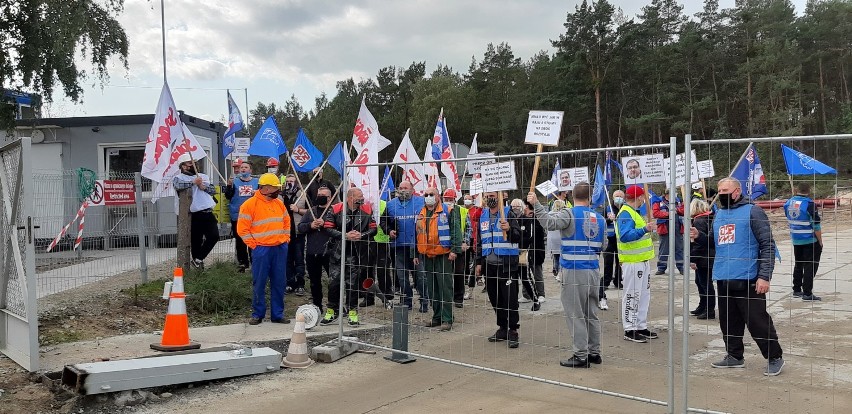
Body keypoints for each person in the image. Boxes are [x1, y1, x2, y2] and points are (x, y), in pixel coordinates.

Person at [697, 177, 784, 376]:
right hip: (724, 276)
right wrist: (699, 236)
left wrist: (764, 276)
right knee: (728, 321)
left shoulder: (754, 211)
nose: (721, 194)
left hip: (749, 279)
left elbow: (767, 245)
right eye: (719, 190)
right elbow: (715, 242)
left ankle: (774, 357)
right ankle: (734, 356)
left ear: (737, 191)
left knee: (757, 321)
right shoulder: (719, 214)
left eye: (725, 190)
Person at [531, 182, 605, 367]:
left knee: (575, 314)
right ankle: (594, 352)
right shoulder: (600, 218)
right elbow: (604, 246)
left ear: (572, 196)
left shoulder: (569, 213)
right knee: (591, 313)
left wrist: (536, 205)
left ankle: (581, 355)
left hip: (574, 271)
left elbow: (548, 223)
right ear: (590, 198)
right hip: (594, 270)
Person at [237, 173, 291, 325]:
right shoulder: (249, 205)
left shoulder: (279, 203)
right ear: (265, 188)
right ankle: (257, 314)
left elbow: (287, 221)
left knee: (279, 282)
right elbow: (242, 230)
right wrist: (255, 245)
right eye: (275, 188)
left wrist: (286, 239)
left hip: (280, 248)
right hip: (262, 250)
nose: (277, 191)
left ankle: (277, 314)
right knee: (259, 282)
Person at [321, 188, 377, 326]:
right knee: (334, 283)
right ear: (350, 198)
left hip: (357, 253)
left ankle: (352, 312)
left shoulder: (367, 210)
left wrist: (361, 235)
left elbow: (374, 228)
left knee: (353, 284)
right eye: (360, 196)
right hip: (337, 253)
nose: (362, 198)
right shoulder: (335, 208)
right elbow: (327, 228)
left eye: (362, 195)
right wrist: (345, 235)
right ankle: (332, 311)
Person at [477, 191, 523, 348]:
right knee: (495, 298)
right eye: (488, 196)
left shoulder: (509, 213)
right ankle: (502, 327)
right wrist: (478, 262)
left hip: (507, 264)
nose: (491, 198)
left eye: (493, 195)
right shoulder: (483, 215)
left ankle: (513, 330)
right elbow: (480, 241)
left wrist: (510, 229)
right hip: (489, 265)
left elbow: (519, 237)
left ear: (501, 197)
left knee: (509, 299)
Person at [415, 187, 462, 331]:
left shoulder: (449, 210)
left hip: (443, 255)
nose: (428, 197)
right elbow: (416, 234)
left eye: (431, 194)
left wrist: (455, 250)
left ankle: (447, 318)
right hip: (427, 255)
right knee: (432, 288)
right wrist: (415, 254)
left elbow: (455, 230)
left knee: (445, 288)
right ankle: (437, 317)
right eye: (426, 194)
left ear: (438, 196)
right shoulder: (421, 213)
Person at [616, 185, 658, 343]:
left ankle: (640, 325)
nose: (643, 200)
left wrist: (645, 229)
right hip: (632, 262)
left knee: (643, 295)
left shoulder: (633, 212)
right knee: (632, 295)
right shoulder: (626, 213)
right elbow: (625, 236)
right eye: (643, 198)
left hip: (642, 261)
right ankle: (630, 328)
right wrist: (644, 229)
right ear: (639, 197)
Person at [381, 180, 429, 313]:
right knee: (402, 276)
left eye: (405, 188)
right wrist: (389, 230)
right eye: (400, 188)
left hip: (417, 246)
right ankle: (407, 300)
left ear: (412, 190)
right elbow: (383, 221)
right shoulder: (390, 205)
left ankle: (425, 301)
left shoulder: (421, 202)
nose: (402, 190)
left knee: (420, 276)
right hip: (398, 246)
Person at [173, 153, 219, 270]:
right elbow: (178, 185)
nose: (194, 165)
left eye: (194, 162)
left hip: (207, 211)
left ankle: (198, 259)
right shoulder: (179, 178)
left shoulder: (203, 176)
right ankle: (198, 268)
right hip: (193, 214)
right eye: (190, 163)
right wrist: (193, 182)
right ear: (183, 166)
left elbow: (213, 190)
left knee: (214, 236)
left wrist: (204, 187)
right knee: (196, 241)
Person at [784, 182, 823, 301]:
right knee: (810, 266)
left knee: (798, 264)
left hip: (796, 239)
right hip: (810, 240)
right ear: (809, 190)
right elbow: (816, 225)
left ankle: (796, 289)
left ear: (796, 190)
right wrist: (820, 241)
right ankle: (807, 293)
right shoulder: (810, 204)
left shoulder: (788, 203)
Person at [298, 185, 334, 311]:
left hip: (330, 252)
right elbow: (300, 227)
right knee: (314, 282)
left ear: (330, 198)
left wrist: (326, 224)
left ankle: (334, 306)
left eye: (323, 196)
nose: (320, 198)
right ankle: (317, 305)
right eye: (319, 196)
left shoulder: (334, 211)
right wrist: (310, 225)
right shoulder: (310, 211)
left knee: (333, 281)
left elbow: (340, 228)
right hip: (312, 252)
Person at [223, 160, 257, 272]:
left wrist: (257, 193)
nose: (243, 169)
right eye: (242, 167)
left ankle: (254, 262)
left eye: (246, 167)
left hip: (253, 216)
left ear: (251, 170)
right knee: (240, 240)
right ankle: (243, 263)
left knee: (253, 240)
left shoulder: (257, 182)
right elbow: (228, 196)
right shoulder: (234, 182)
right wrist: (228, 186)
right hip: (237, 215)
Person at [363, 198, 394, 308]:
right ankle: (368, 296)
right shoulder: (363, 204)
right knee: (367, 269)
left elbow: (388, 221)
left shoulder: (384, 204)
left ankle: (387, 294)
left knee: (383, 269)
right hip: (367, 241)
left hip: (382, 241)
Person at [281, 174, 308, 296]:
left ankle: (300, 284)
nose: (289, 183)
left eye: (292, 181)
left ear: (296, 182)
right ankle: (289, 283)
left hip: (298, 233)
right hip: (284, 233)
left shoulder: (302, 195)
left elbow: (310, 212)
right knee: (287, 260)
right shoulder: (280, 196)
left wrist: (298, 210)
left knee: (299, 259)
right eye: (287, 181)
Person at [689, 198, 716, 319]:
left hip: (703, 257)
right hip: (709, 255)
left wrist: (693, 259)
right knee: (701, 282)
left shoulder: (699, 221)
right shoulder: (709, 218)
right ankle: (703, 306)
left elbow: (698, 243)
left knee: (705, 284)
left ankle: (708, 309)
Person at [599, 189, 625, 311]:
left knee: (620, 262)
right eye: (617, 196)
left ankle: (618, 280)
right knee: (608, 262)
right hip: (609, 239)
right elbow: (601, 221)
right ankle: (606, 281)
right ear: (612, 197)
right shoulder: (607, 208)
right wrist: (609, 219)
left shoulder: (625, 209)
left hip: (620, 240)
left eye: (620, 196)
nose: (619, 198)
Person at [442, 189, 468, 308]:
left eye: (450, 200)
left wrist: (465, 242)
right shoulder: (440, 210)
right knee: (445, 274)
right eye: (446, 199)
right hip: (444, 247)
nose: (448, 202)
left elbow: (468, 228)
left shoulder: (462, 211)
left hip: (458, 247)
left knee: (458, 273)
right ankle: (446, 297)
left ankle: (458, 298)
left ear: (455, 200)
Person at [519, 199, 547, 309]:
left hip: (536, 250)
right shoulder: (522, 219)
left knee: (537, 273)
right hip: (524, 252)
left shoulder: (537, 220)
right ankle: (526, 295)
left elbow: (538, 234)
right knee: (525, 274)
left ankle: (541, 294)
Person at [651, 187, 685, 275]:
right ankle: (661, 268)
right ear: (667, 194)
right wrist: (668, 213)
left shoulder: (679, 201)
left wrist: (677, 210)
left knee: (679, 248)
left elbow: (684, 210)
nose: (675, 195)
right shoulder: (658, 202)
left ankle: (681, 267)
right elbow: (655, 213)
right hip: (664, 227)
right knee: (664, 248)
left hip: (677, 226)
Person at [462, 194, 483, 300]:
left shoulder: (481, 210)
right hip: (471, 240)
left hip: (481, 241)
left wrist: (480, 206)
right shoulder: (462, 210)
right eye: (465, 199)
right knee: (473, 265)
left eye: (469, 199)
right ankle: (469, 289)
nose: (467, 201)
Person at [546, 198, 567, 282]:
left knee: (555, 257)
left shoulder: (549, 214)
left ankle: (555, 270)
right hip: (560, 237)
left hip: (552, 238)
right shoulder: (563, 215)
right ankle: (559, 272)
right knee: (561, 256)